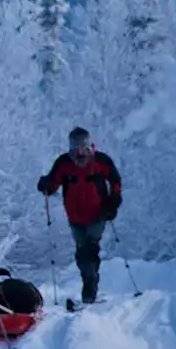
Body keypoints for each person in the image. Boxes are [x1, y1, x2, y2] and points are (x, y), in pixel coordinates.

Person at [37, 127, 122, 304]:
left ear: (90, 145)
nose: (80, 152)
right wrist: (45, 185)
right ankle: (88, 280)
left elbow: (115, 181)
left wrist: (113, 202)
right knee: (81, 253)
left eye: (83, 147)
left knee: (91, 249)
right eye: (75, 148)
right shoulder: (64, 163)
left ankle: (90, 288)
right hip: (75, 217)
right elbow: (53, 183)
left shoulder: (101, 161)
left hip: (98, 213)